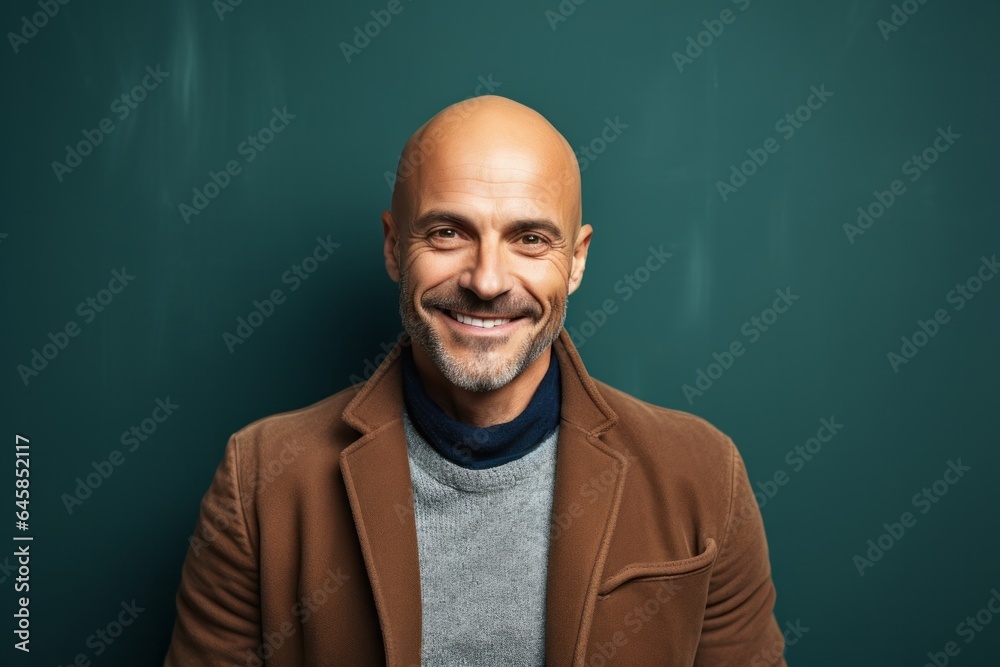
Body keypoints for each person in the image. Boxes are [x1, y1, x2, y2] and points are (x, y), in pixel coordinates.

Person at [164, 94, 786, 666]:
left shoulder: (703, 476)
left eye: (531, 239)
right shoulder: (260, 482)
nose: (486, 282)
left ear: (577, 261)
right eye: (447, 233)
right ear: (391, 246)